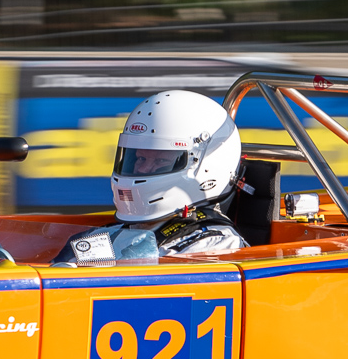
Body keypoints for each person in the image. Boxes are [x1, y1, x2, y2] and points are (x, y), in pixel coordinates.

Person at [54, 90, 248, 265]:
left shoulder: (216, 246)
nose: (142, 169)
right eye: (139, 158)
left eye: (161, 160)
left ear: (205, 167)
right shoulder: (108, 235)